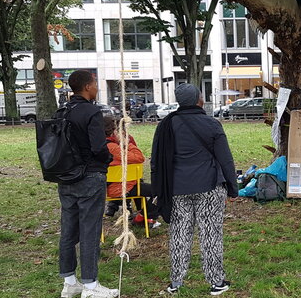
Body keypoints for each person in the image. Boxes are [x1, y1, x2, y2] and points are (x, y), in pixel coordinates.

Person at [151, 83, 239, 295]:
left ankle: (176, 282)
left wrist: (157, 190)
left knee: (180, 233)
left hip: (177, 188)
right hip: (209, 186)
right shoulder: (211, 124)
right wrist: (233, 188)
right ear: (199, 100)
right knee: (210, 233)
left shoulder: (165, 126)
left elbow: (155, 161)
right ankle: (216, 282)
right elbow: (225, 159)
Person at [57, 70, 119, 298]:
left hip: (65, 177)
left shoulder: (62, 111)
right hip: (90, 176)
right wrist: (107, 160)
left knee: (68, 230)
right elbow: (98, 147)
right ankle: (91, 286)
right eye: (94, 84)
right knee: (90, 231)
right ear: (86, 87)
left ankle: (69, 281)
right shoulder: (91, 112)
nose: (96, 87)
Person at [102, 116, 157, 223]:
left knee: (144, 186)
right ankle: (143, 216)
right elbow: (139, 157)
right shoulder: (112, 147)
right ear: (113, 131)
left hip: (114, 187)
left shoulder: (101, 145)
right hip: (121, 188)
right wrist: (127, 143)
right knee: (161, 191)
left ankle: (143, 215)